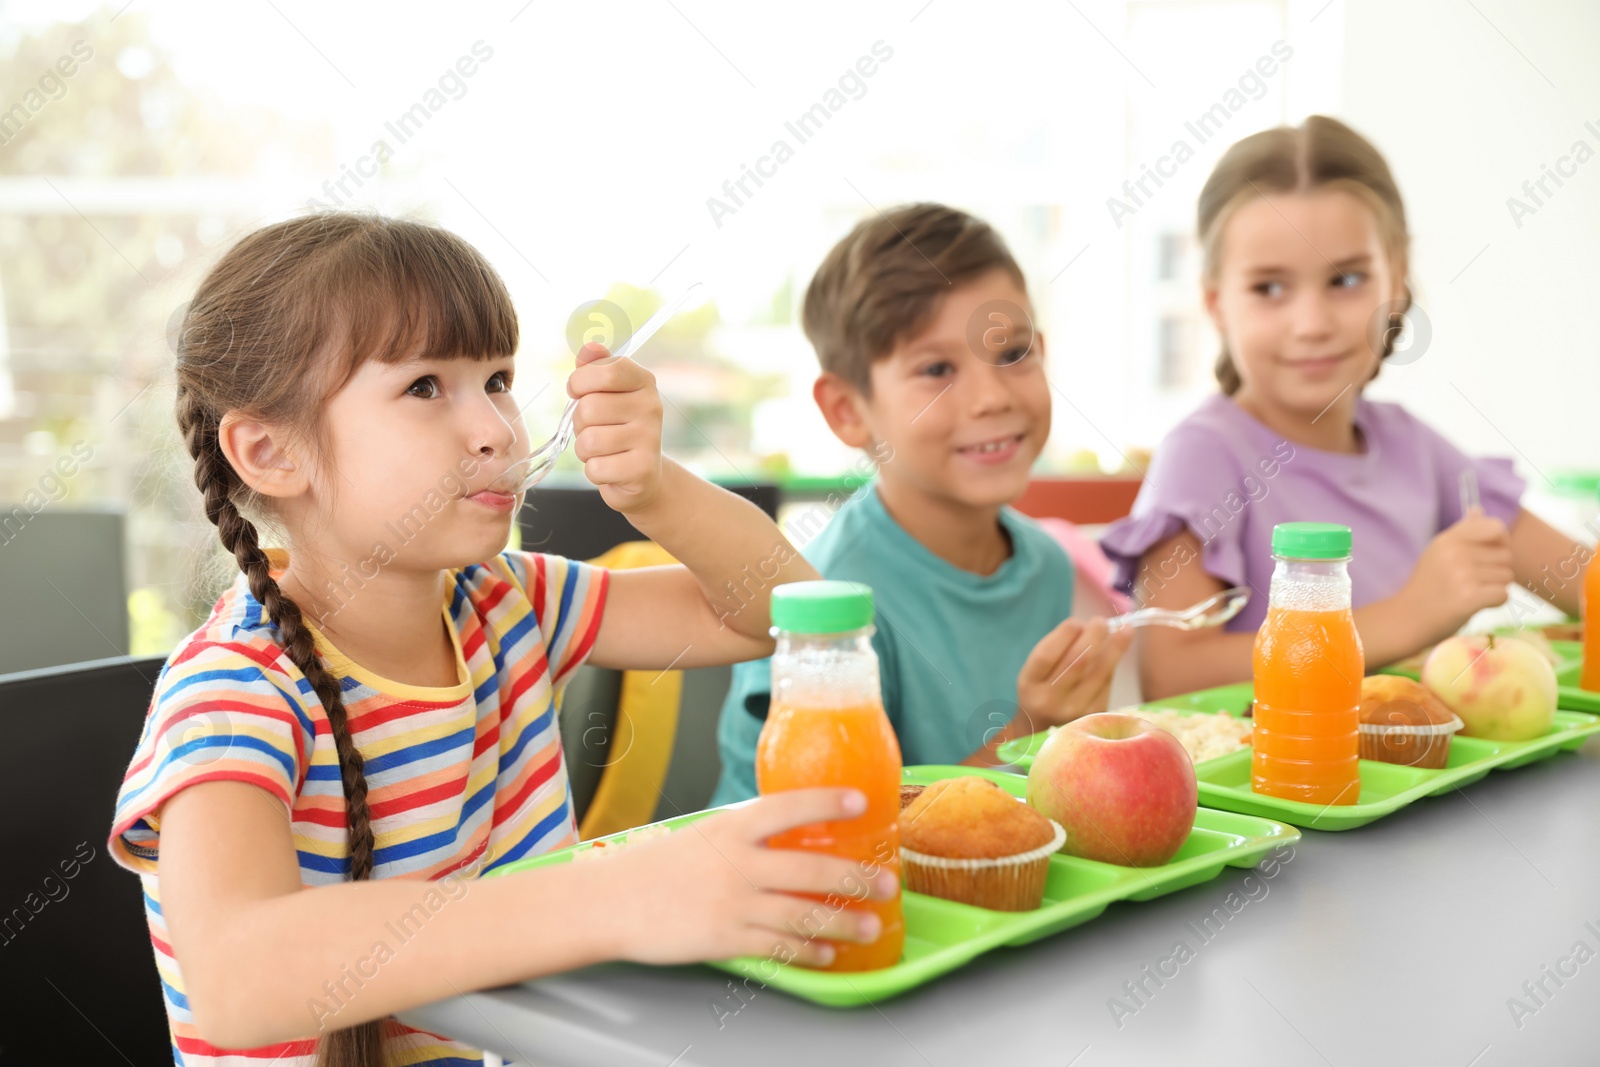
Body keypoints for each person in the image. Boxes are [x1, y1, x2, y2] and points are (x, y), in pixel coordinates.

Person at [108, 213, 896, 1066]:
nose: (494, 428)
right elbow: (238, 978)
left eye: (497, 379)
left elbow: (783, 612)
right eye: (424, 388)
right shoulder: (234, 692)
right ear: (269, 451)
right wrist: (612, 896)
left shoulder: (508, 603)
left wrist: (657, 491)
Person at [1100, 116, 1586, 699]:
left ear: (1398, 281)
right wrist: (1407, 616)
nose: (1312, 324)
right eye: (1269, 288)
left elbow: (1583, 579)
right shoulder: (1203, 456)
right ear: (1216, 303)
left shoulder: (1415, 449)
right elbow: (1171, 673)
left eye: (1347, 279)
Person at [712, 203, 1131, 805]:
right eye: (937, 369)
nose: (991, 397)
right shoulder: (827, 602)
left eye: (1012, 354)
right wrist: (1026, 731)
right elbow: (839, 829)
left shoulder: (1046, 562)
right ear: (848, 410)